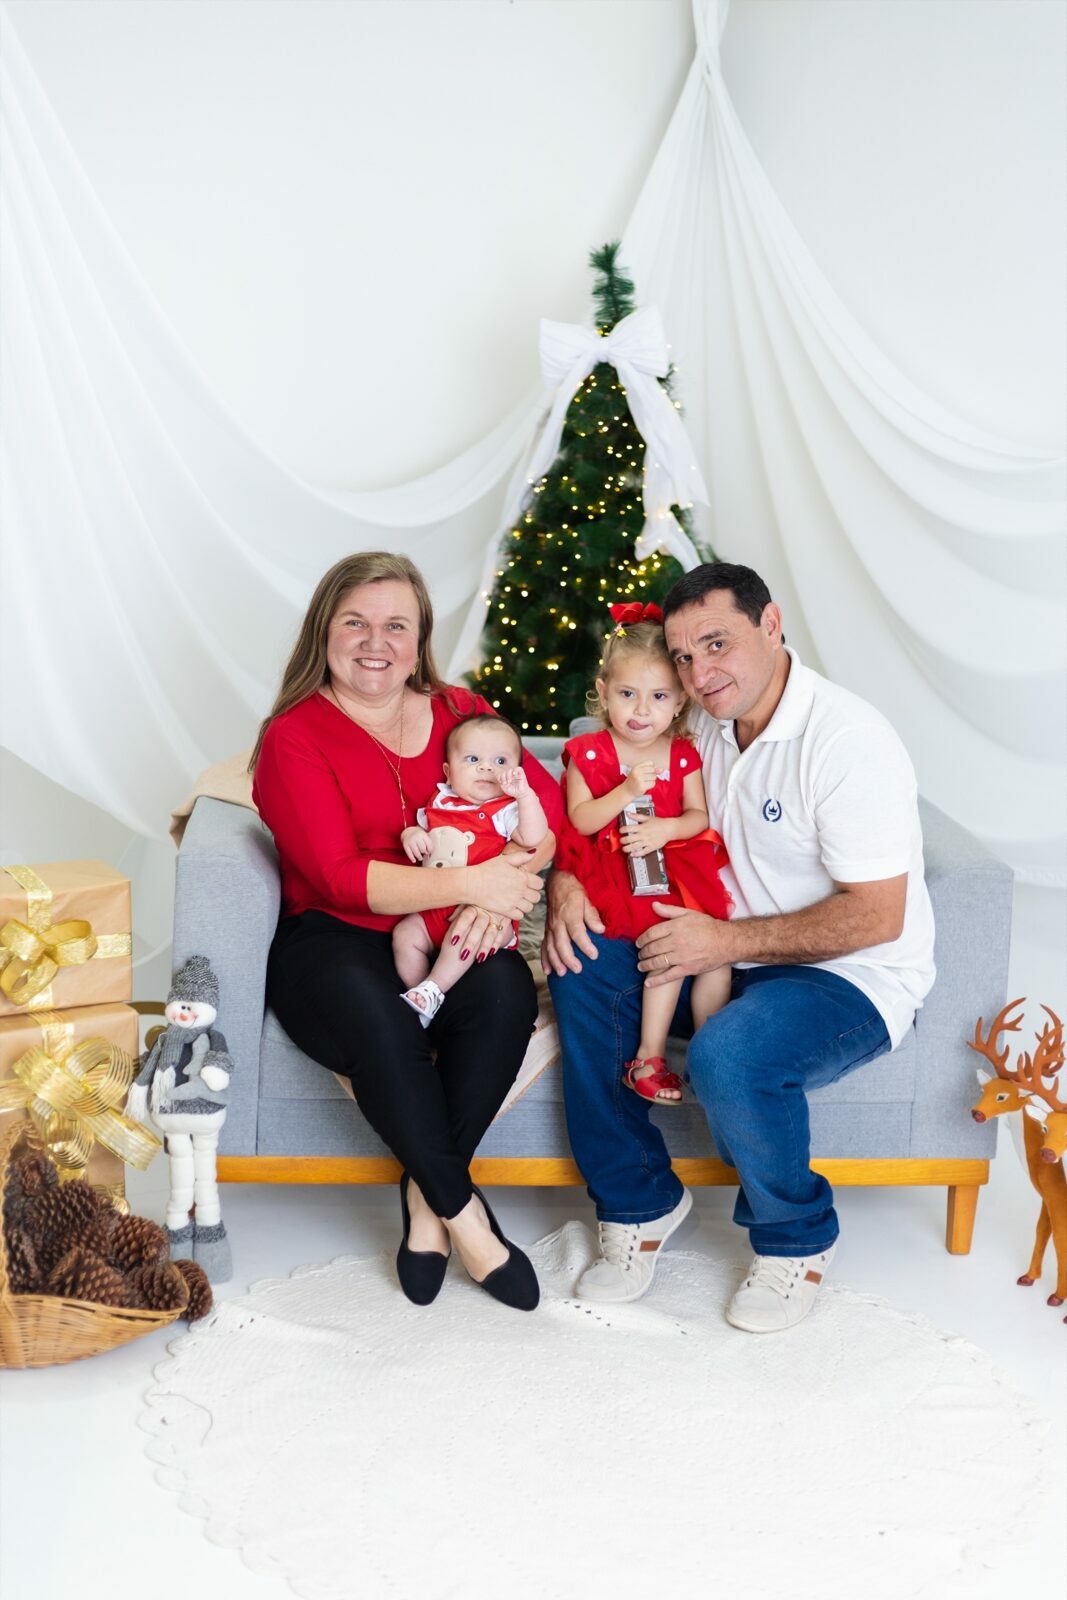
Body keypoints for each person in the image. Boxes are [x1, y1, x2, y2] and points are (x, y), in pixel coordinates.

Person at [545, 563, 935, 1331]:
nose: (698, 674)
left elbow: (876, 917)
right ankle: (638, 1203)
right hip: (716, 949)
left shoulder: (845, 739)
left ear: (771, 625)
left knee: (729, 1053)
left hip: (842, 975)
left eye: (716, 644)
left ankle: (795, 1239)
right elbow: (596, 814)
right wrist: (564, 883)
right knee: (581, 964)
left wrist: (719, 941)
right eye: (683, 657)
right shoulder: (696, 728)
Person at [252, 551, 562, 1312]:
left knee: (504, 994)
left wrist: (502, 887)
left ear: (420, 638)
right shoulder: (294, 736)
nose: (375, 642)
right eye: (354, 622)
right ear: (324, 631)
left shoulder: (463, 713)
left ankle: (423, 1203)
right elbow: (338, 875)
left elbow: (544, 817)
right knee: (385, 1028)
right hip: (333, 937)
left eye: (396, 625)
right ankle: (467, 1221)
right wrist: (473, 883)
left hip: (451, 928)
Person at [554, 600, 732, 1105]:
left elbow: (698, 816)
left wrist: (668, 828)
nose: (640, 710)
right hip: (618, 873)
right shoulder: (589, 753)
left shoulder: (682, 753)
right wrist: (627, 791)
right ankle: (648, 1059)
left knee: (717, 960)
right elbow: (581, 820)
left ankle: (710, 1056)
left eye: (658, 697)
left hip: (675, 867)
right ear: (603, 691)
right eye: (627, 694)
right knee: (667, 954)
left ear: (679, 702)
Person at [394, 712, 549, 1025]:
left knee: (465, 934)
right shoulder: (439, 801)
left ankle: (434, 987)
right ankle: (423, 996)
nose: (487, 767)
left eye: (501, 761)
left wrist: (525, 796)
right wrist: (411, 835)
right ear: (449, 772)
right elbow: (421, 830)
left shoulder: (505, 810)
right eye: (473, 759)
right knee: (404, 935)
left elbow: (534, 836)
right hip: (433, 909)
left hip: (483, 913)